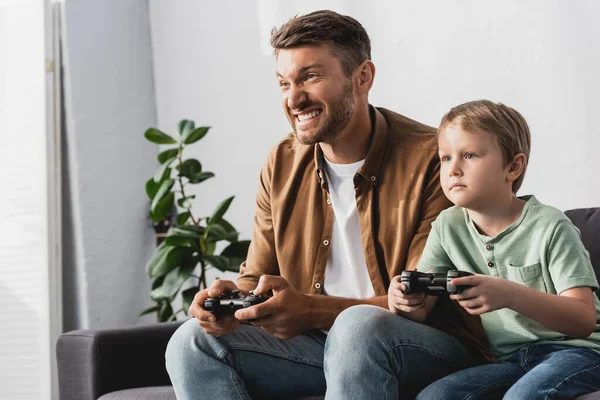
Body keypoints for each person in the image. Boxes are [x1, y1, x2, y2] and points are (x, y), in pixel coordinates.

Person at [165, 11, 491, 400]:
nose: (293, 98)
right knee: (191, 341)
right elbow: (256, 275)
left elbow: (419, 300)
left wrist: (312, 310)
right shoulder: (282, 162)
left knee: (359, 327)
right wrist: (232, 300)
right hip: (321, 346)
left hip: (424, 346)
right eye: (284, 82)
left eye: (310, 77)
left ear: (363, 77)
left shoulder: (433, 159)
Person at [387, 99, 600, 399]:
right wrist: (402, 300)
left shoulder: (551, 226)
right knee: (434, 397)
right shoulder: (447, 226)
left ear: (513, 166)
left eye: (470, 155)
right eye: (445, 158)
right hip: (512, 360)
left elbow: (583, 319)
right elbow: (422, 310)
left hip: (579, 353)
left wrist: (509, 294)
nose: (453, 169)